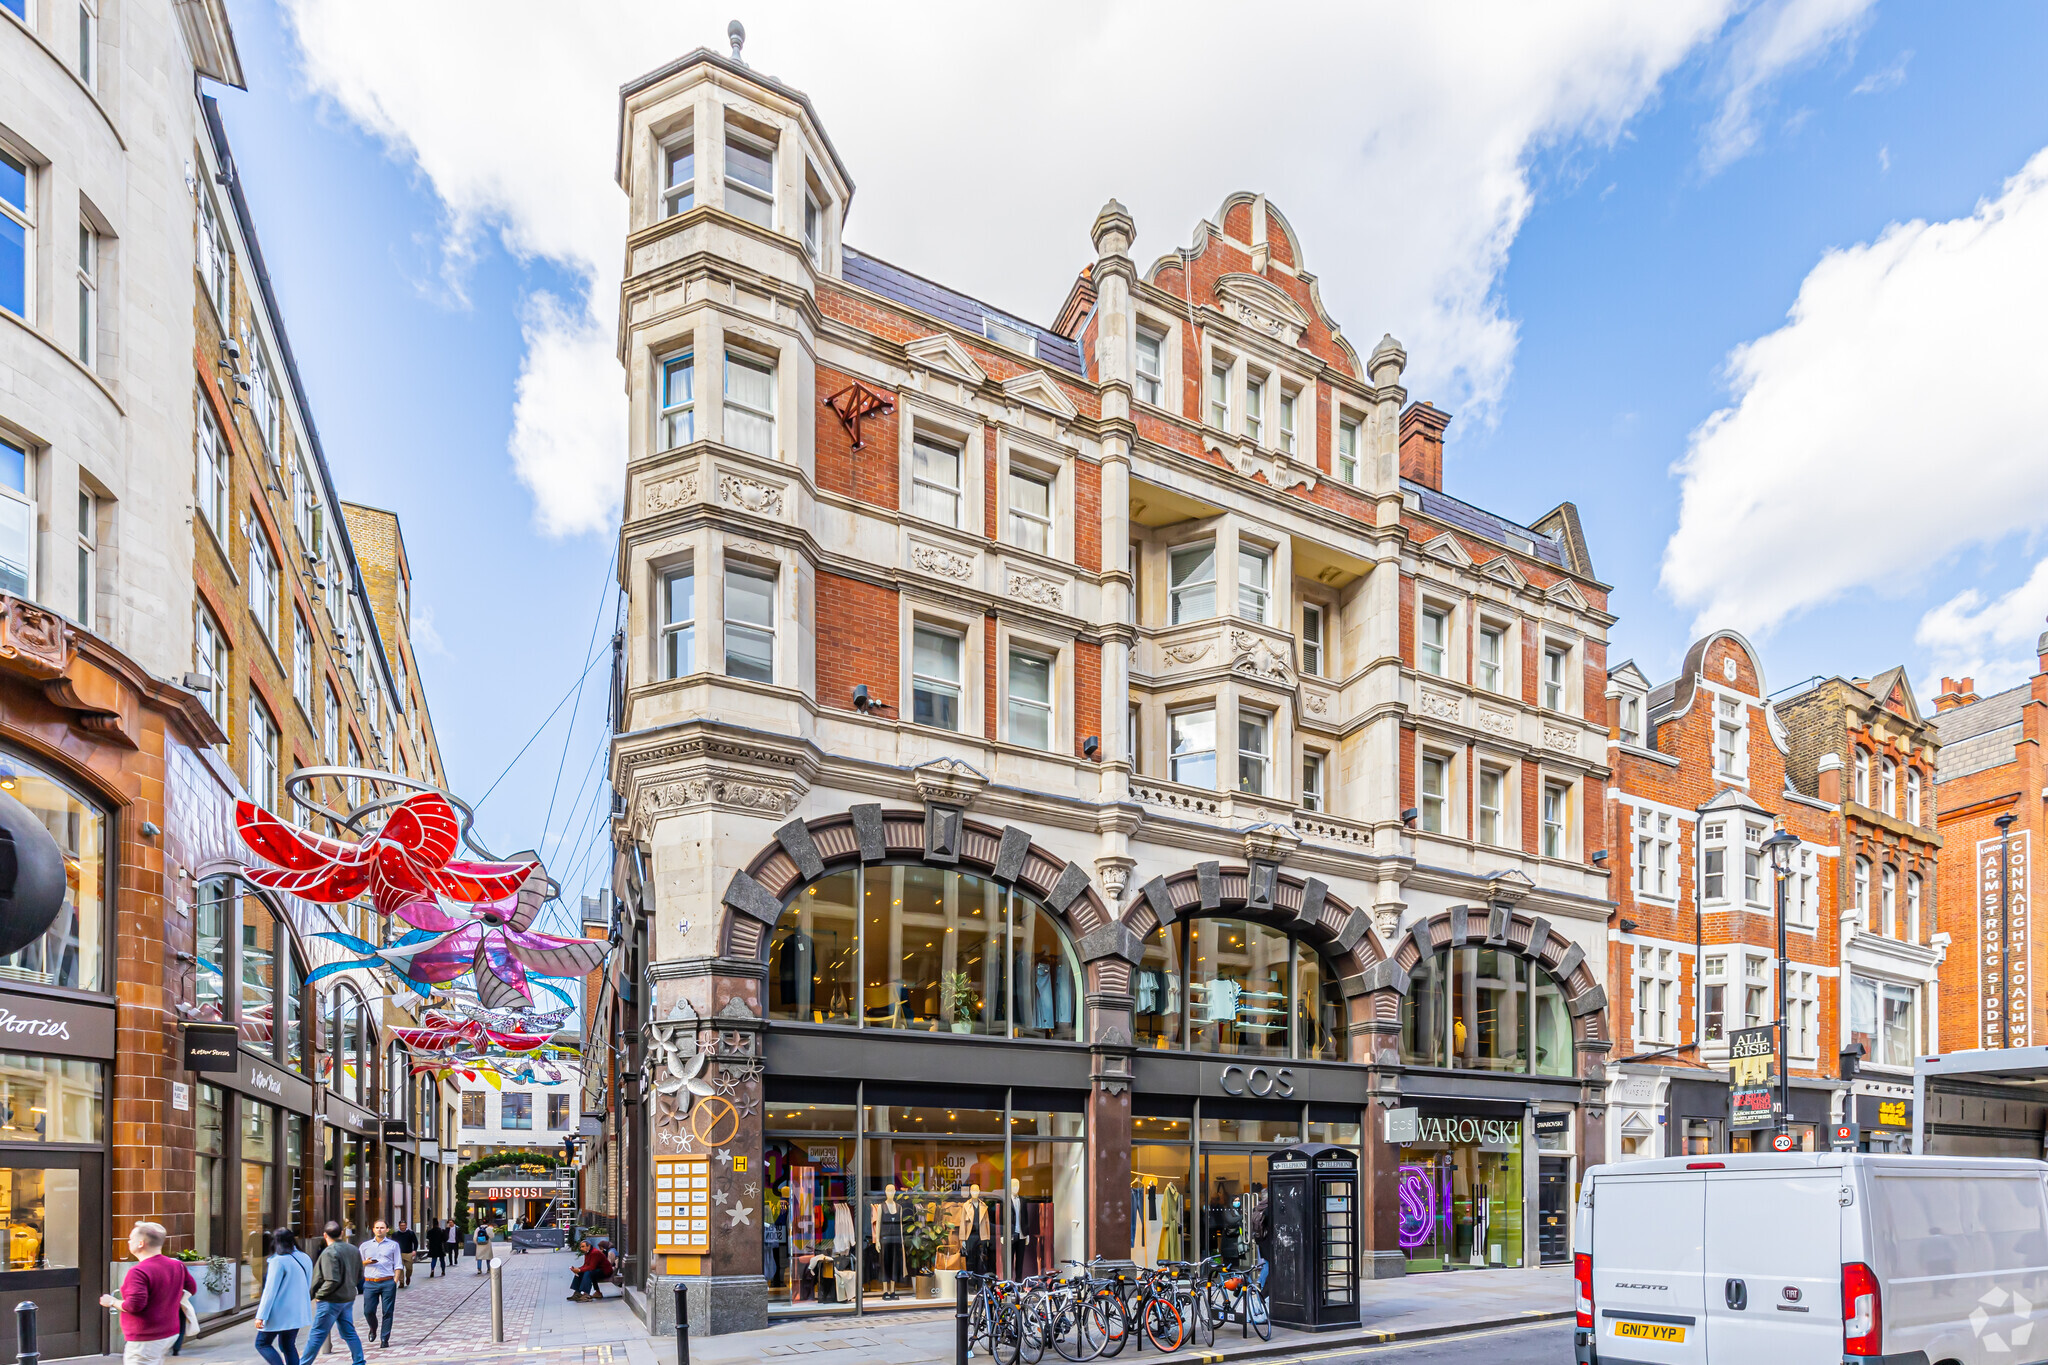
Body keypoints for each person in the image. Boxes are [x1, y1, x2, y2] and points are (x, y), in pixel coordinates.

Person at [98, 1221, 194, 1365]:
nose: (129, 1242)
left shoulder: (138, 1272)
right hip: (169, 1332)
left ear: (141, 1243)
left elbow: (134, 1305)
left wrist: (111, 1301)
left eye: (131, 1239)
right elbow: (191, 1288)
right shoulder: (177, 1265)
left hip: (145, 1337)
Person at [301, 1221, 365, 1365]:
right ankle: (359, 1361)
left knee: (317, 1334)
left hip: (331, 1300)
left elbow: (332, 1280)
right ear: (341, 1233)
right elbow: (360, 1275)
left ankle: (304, 1363)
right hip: (347, 1297)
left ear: (325, 1235)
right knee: (348, 1332)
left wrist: (319, 1295)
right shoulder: (353, 1249)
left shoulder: (330, 1252)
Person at [253, 1227, 315, 1365]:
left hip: (279, 1312)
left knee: (262, 1343)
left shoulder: (278, 1261)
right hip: (298, 1310)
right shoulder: (305, 1257)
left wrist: (261, 1315)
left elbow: (270, 1291)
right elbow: (308, 1283)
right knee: (288, 1345)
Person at [359, 1219, 402, 1349]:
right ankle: (373, 1328)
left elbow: (398, 1264)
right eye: (377, 1227)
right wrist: (366, 1262)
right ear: (373, 1229)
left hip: (388, 1281)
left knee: (388, 1311)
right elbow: (358, 1264)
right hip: (370, 1282)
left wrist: (395, 1281)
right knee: (368, 1311)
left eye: (382, 1228)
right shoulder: (365, 1246)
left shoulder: (393, 1245)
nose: (379, 1230)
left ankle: (384, 1338)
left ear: (387, 1230)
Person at [392, 1221, 417, 1288]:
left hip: (408, 1253)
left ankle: (408, 1277)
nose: (402, 1227)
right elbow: (392, 1244)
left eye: (404, 1225)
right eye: (401, 1225)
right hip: (399, 1253)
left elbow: (415, 1242)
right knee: (400, 1268)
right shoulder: (395, 1234)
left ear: (406, 1225)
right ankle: (401, 1282)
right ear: (399, 1226)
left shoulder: (410, 1233)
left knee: (409, 1268)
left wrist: (414, 1250)